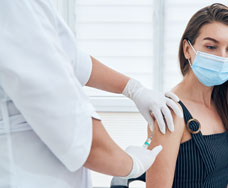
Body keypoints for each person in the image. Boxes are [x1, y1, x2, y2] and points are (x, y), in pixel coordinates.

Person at [0, 0, 182, 187]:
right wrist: (131, 165)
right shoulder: (15, 7)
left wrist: (133, 88)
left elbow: (72, 58)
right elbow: (81, 139)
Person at [145, 3, 228, 188]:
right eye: (211, 47)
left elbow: (222, 177)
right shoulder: (171, 113)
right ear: (187, 49)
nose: (222, 57)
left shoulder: (222, 105)